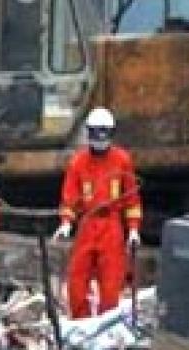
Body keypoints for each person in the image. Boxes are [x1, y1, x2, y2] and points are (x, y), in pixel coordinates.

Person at [53, 107, 142, 319]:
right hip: (87, 224)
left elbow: (131, 198)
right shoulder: (78, 162)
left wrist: (133, 229)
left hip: (111, 226)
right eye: (96, 132)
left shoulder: (122, 160)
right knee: (77, 279)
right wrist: (66, 222)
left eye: (104, 132)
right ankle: (81, 324)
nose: (100, 137)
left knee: (111, 282)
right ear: (89, 132)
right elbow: (70, 196)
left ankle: (105, 327)